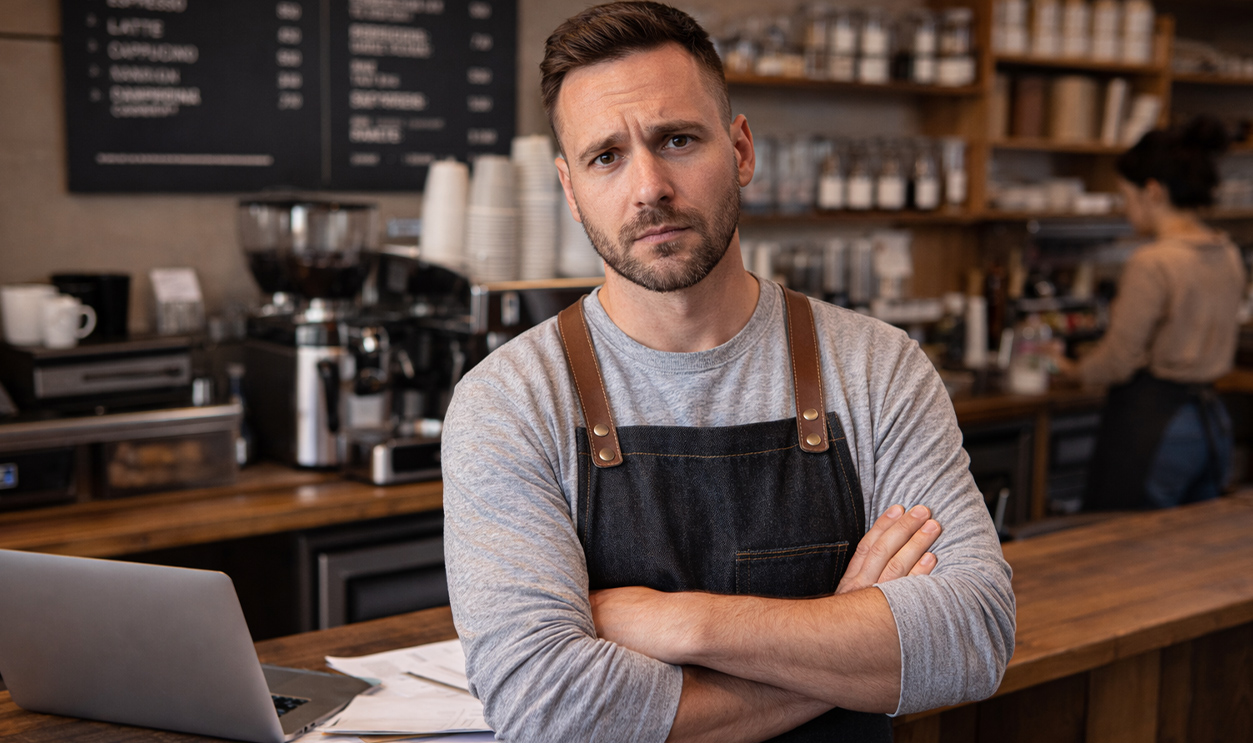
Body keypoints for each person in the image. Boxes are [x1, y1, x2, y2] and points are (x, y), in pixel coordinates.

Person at [441, 3, 1015, 741]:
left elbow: (971, 638)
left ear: (740, 149)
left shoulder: (877, 367)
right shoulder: (510, 401)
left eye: (676, 139)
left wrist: (680, 622)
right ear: (570, 188)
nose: (648, 186)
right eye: (605, 157)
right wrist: (847, 646)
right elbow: (549, 707)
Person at [1054, 117, 1247, 511]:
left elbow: (1119, 359)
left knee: (1122, 547)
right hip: (1211, 424)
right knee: (1189, 547)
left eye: (1127, 196)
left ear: (1153, 192)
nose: (1127, 210)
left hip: (1157, 424)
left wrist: (1073, 370)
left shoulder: (1154, 261)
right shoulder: (1227, 251)